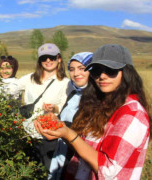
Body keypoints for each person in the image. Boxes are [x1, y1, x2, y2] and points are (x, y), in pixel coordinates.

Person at [35, 44, 152, 179]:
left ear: (127, 73)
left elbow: (107, 170)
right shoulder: (101, 105)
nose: (102, 76)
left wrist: (69, 134)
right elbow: (84, 147)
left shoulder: (131, 113)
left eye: (110, 70)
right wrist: (61, 129)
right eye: (96, 71)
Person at [9, 43, 70, 171]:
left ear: (59, 58)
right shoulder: (30, 78)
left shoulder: (65, 83)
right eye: (44, 58)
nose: (48, 61)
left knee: (44, 170)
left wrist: (54, 108)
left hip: (47, 136)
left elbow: (63, 106)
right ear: (40, 61)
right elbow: (12, 89)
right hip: (27, 132)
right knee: (24, 171)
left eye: (52, 57)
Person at [48, 52, 93, 180]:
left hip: (79, 157)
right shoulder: (74, 94)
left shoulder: (96, 99)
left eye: (82, 68)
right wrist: (54, 120)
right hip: (63, 150)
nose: (75, 74)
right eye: (72, 69)